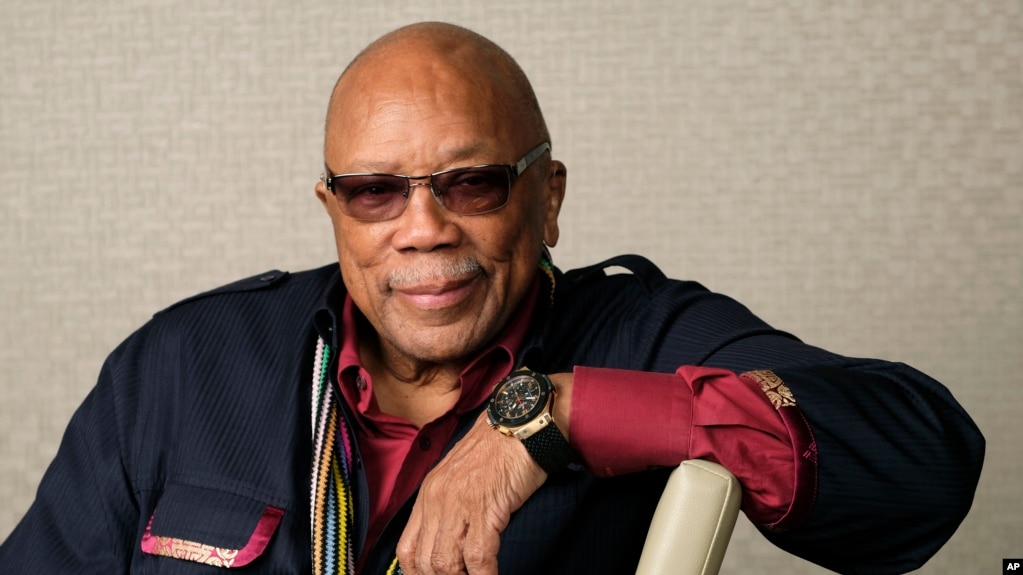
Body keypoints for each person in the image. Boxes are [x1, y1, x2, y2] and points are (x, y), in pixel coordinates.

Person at [0, 21, 983, 575]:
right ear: (333, 210)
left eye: (471, 183)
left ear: (547, 198)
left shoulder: (644, 334)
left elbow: (925, 461)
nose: (423, 228)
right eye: (376, 191)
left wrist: (552, 415)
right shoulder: (181, 363)